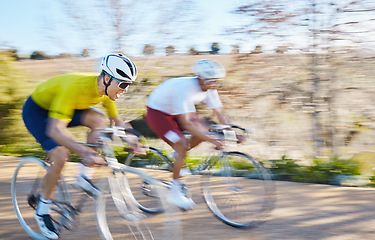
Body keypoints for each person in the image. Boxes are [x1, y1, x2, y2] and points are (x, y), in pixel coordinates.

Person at [22, 53, 147, 239]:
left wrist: (132, 140)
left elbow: (117, 121)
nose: (126, 89)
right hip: (38, 113)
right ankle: (42, 211)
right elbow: (55, 130)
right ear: (106, 78)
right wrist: (84, 151)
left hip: (65, 106)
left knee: (99, 120)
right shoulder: (76, 88)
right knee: (61, 155)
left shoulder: (106, 92)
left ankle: (82, 177)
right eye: (123, 84)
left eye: (128, 84)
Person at [145, 59, 232, 210]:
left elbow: (220, 113)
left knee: (205, 130)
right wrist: (213, 140)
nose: (214, 85)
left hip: (177, 111)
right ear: (199, 78)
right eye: (210, 81)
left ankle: (178, 156)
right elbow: (187, 124)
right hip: (158, 113)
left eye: (216, 81)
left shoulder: (210, 88)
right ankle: (175, 190)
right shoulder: (185, 89)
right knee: (181, 144)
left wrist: (230, 133)